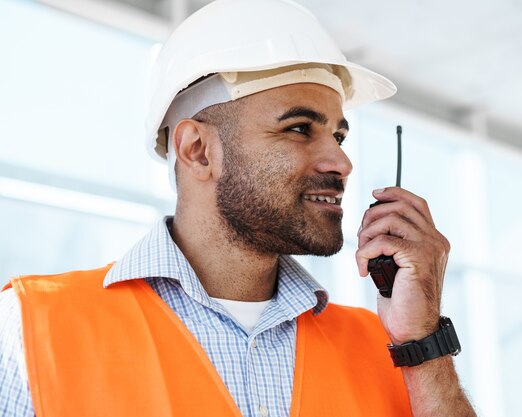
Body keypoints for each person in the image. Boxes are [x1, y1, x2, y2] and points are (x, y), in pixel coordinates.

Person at [0, 0, 477, 416]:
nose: (341, 162)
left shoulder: (397, 349)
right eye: (298, 128)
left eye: (338, 134)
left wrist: (424, 343)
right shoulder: (28, 328)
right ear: (197, 150)